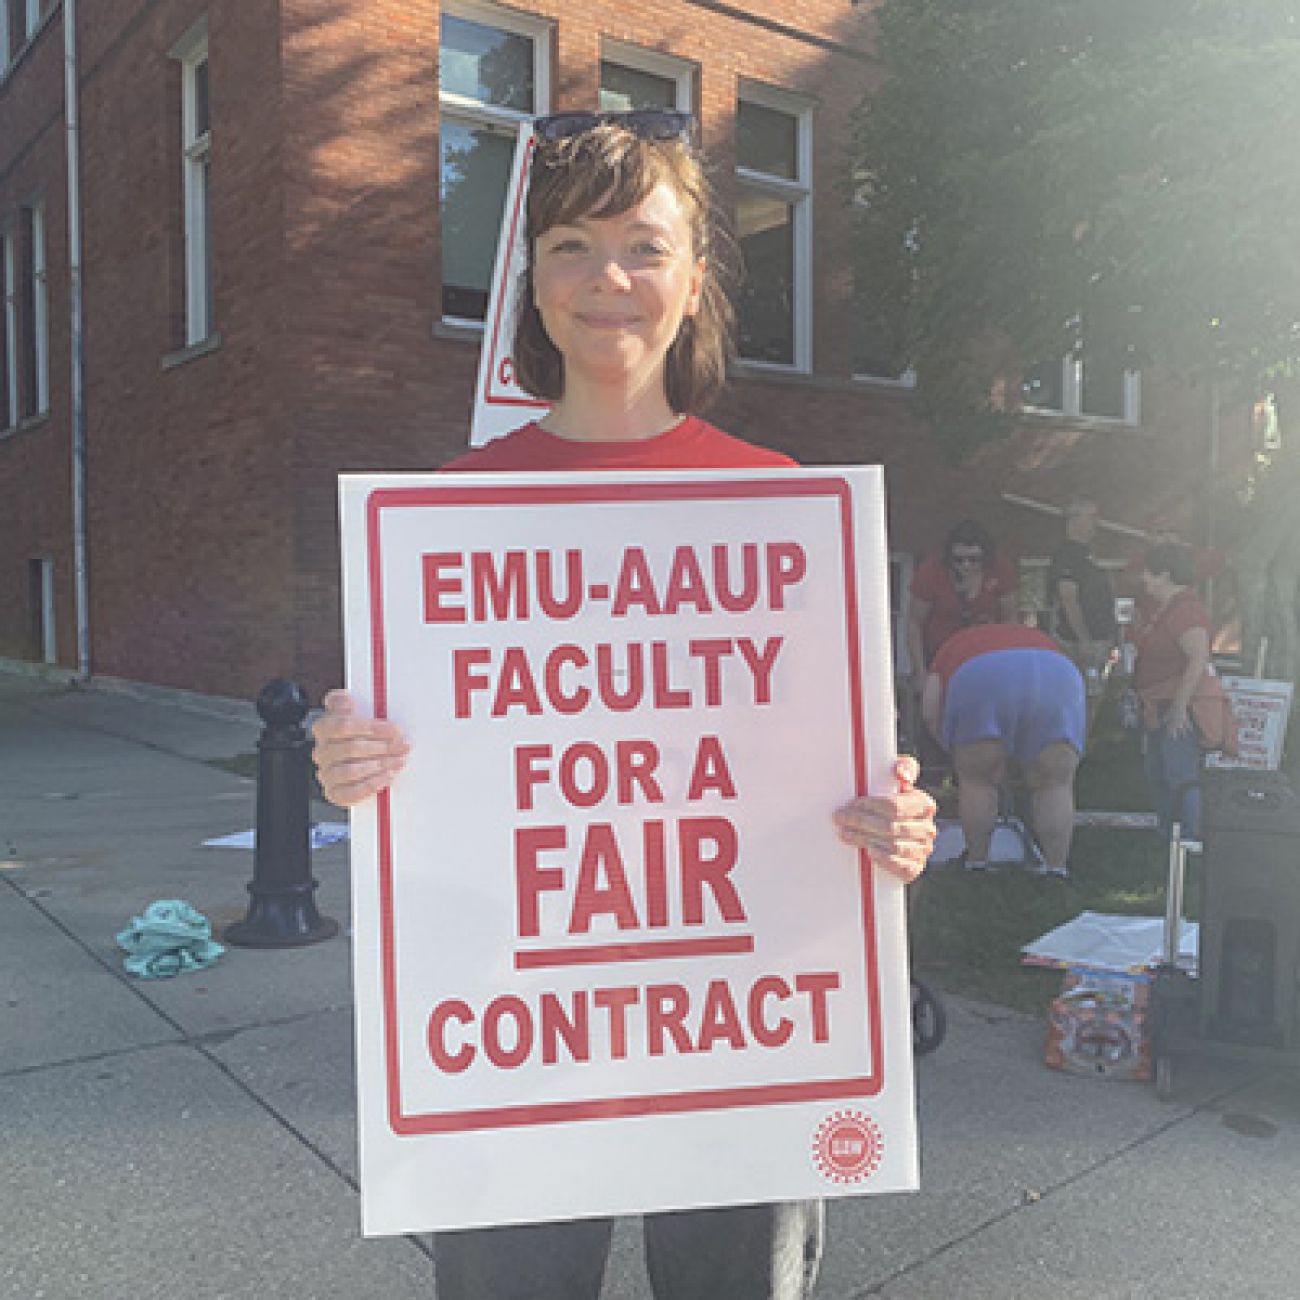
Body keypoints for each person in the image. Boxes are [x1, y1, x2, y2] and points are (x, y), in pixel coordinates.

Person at [311, 109, 938, 1300]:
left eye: (646, 246)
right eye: (570, 247)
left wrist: (892, 826)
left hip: (741, 1015)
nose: (610, 278)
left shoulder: (780, 505)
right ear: (532, 286)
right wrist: (353, 761)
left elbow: (827, 770)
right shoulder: (451, 508)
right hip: (517, 1019)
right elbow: (424, 764)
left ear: (695, 279)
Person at [920, 622, 1085, 878]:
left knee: (977, 781)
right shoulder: (1037, 636)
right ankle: (1056, 869)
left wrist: (954, 748)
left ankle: (977, 865)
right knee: (1055, 783)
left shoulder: (952, 646)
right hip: (1057, 673)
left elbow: (930, 707)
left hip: (980, 675)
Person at [1132, 542, 1237, 840]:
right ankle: (1169, 840)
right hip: (1159, 703)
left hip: (1177, 706)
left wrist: (1179, 707)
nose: (1144, 579)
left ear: (1164, 574)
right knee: (1159, 774)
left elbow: (1198, 657)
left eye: (1149, 573)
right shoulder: (1166, 608)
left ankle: (1190, 841)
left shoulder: (1186, 610)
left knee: (1179, 775)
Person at [906, 520, 1018, 699]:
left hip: (985, 654)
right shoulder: (932, 570)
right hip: (940, 655)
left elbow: (1010, 618)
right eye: (959, 560)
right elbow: (914, 623)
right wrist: (921, 672)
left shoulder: (1000, 568)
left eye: (974, 560)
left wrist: (1008, 663)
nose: (966, 565)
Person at [1047, 498, 1116, 690]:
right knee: (1081, 694)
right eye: (1091, 517)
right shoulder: (1067, 556)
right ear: (1074, 521)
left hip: (1097, 639)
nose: (1097, 523)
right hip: (1077, 644)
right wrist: (1084, 639)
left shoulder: (1087, 554)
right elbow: (1069, 599)